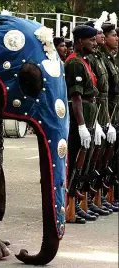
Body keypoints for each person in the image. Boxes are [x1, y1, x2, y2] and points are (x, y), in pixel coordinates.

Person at [65, 25, 106, 223]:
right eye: (90, 40)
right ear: (80, 41)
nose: (94, 43)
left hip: (90, 114)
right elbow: (76, 97)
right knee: (75, 161)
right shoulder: (74, 63)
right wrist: (81, 125)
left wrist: (95, 122)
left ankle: (79, 201)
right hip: (79, 117)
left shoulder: (84, 61)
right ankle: (70, 206)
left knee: (85, 163)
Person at [84, 21, 117, 214]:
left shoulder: (107, 59)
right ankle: (84, 198)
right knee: (91, 157)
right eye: (101, 35)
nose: (103, 39)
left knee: (106, 157)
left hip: (108, 109)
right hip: (97, 111)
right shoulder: (92, 60)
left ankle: (99, 196)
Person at [101, 22, 119, 208]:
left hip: (113, 111)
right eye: (114, 35)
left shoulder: (110, 59)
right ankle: (88, 198)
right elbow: (102, 93)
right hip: (105, 112)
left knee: (110, 155)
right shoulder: (103, 59)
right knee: (99, 157)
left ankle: (106, 195)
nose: (117, 39)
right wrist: (106, 119)